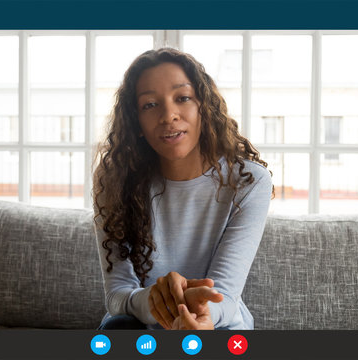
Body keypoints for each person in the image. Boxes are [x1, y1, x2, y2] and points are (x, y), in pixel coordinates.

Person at [93, 47, 273, 330]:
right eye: (150, 105)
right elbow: (117, 296)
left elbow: (224, 294)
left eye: (183, 98)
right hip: (140, 321)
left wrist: (199, 316)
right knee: (117, 326)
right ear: (136, 122)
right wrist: (155, 301)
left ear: (204, 107)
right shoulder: (115, 178)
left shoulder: (249, 181)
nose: (168, 115)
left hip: (218, 322)